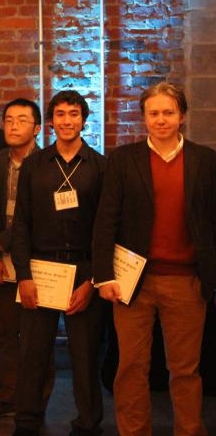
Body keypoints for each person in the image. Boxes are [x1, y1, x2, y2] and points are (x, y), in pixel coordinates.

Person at [93, 82, 216, 436]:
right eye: (154, 113)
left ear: (182, 117)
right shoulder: (122, 159)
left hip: (187, 282)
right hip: (133, 282)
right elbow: (106, 220)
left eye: (168, 112)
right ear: (144, 117)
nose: (161, 120)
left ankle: (190, 430)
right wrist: (103, 276)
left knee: (186, 369)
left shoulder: (205, 161)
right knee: (131, 366)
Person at [11, 90, 106, 436]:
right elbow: (21, 223)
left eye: (74, 114)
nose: (67, 121)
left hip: (83, 270)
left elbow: (105, 228)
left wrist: (93, 280)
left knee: (84, 358)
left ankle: (88, 423)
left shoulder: (99, 166)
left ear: (84, 119)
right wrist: (24, 275)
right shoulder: (34, 165)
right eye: (61, 114)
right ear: (50, 121)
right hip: (41, 268)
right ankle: (27, 422)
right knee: (32, 354)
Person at [0, 98, 54, 421]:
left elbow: (38, 218)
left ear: (37, 128)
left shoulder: (48, 164)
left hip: (37, 262)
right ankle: (7, 397)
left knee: (39, 337)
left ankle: (36, 402)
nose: (13, 126)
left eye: (22, 120)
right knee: (5, 334)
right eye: (8, 120)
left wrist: (2, 241)